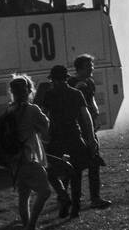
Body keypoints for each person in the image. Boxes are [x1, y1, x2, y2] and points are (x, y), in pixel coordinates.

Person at [36, 65, 98, 218]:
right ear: (66, 78)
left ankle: (63, 196)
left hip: (57, 138)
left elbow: (46, 117)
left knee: (51, 171)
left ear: (53, 79)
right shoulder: (76, 93)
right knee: (76, 173)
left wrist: (43, 137)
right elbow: (86, 117)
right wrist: (90, 138)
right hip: (74, 137)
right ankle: (75, 209)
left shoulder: (49, 94)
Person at [3, 75, 51, 230]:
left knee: (24, 196)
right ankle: (30, 228)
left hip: (15, 160)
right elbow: (45, 128)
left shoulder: (9, 109)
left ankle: (27, 229)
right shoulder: (32, 109)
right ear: (29, 90)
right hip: (29, 157)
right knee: (45, 192)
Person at [70, 54, 110, 208]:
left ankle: (94, 197)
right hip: (80, 129)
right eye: (89, 66)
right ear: (80, 68)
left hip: (90, 126)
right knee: (78, 164)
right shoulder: (72, 83)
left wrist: (96, 115)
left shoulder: (90, 82)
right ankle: (75, 198)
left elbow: (91, 100)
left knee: (94, 162)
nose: (92, 68)